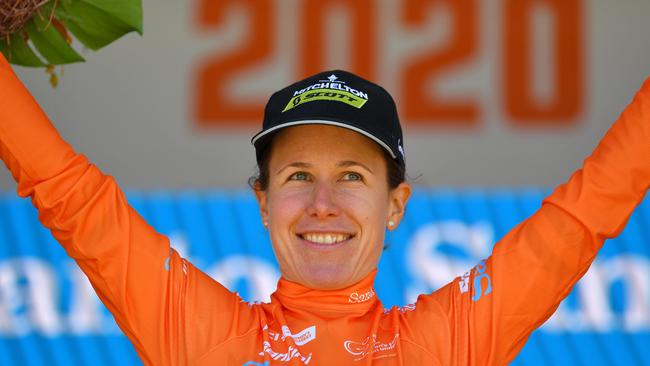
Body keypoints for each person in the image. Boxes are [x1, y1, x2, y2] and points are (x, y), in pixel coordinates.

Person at [0, 52, 648, 366]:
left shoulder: (442, 345)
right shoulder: (206, 339)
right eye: (298, 174)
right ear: (261, 200)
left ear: (396, 205)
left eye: (353, 175)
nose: (323, 204)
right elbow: (71, 195)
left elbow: (585, 210)